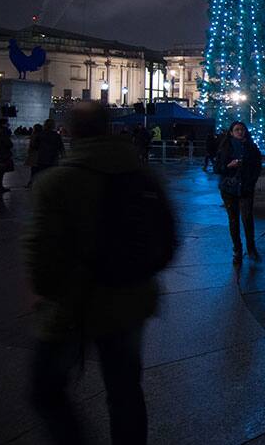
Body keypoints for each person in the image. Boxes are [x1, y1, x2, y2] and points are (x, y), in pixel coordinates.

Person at [25, 101, 176, 444]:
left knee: (45, 390)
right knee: (124, 392)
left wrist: (43, 291)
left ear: (72, 132)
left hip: (70, 305)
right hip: (130, 300)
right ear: (110, 128)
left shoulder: (56, 182)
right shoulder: (143, 175)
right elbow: (168, 239)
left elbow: (40, 252)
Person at [214, 121, 263, 265]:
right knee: (233, 220)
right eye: (237, 130)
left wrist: (251, 180)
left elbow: (257, 166)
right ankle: (237, 249)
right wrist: (229, 165)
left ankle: (251, 247)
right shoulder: (225, 148)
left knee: (247, 219)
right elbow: (217, 168)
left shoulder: (251, 147)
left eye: (242, 129)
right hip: (229, 188)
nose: (240, 132)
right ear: (231, 132)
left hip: (245, 188)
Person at [0, 117, 14, 193]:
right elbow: (8, 143)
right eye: (7, 123)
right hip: (3, 154)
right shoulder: (4, 132)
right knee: (1, 172)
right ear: (4, 124)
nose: (8, 124)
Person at [26, 123, 43, 187]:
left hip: (34, 154)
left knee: (34, 170)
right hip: (39, 155)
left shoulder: (34, 135)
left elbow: (33, 145)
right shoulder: (40, 136)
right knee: (37, 170)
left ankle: (32, 182)